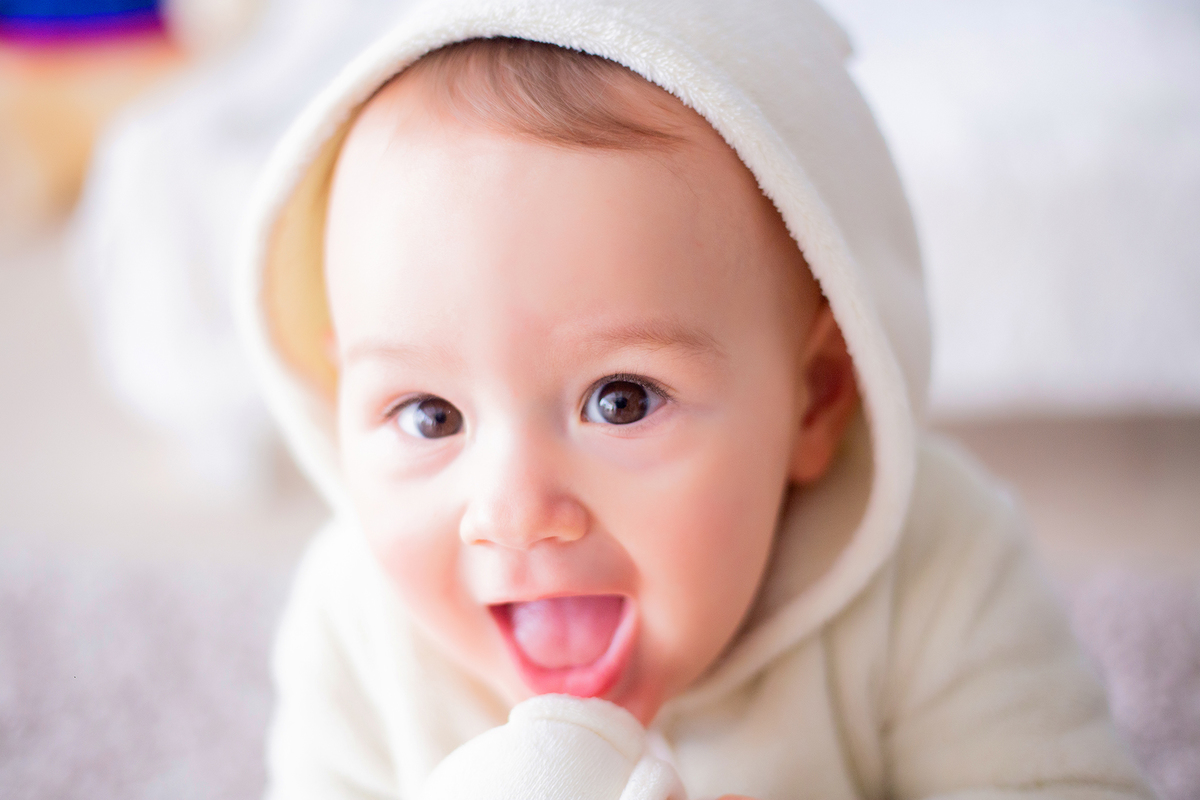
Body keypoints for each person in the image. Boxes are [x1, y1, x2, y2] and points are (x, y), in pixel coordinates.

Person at [236, 1, 1151, 797]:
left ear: (814, 400)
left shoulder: (935, 563)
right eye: (430, 415)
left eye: (621, 400)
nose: (514, 513)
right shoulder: (356, 625)